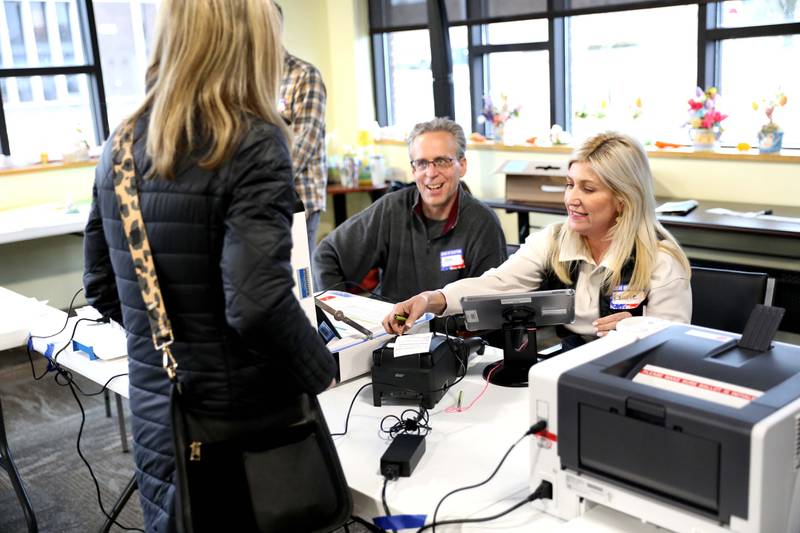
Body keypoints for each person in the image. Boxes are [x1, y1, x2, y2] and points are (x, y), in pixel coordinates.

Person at [82, 1, 336, 531]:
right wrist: (321, 368)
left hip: (162, 415)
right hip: (242, 425)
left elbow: (102, 285)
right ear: (252, 43)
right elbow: (258, 305)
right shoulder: (252, 143)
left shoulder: (120, 145)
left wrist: (174, 344)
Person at [384, 131, 692, 343]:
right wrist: (431, 299)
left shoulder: (661, 262)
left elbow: (676, 344)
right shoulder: (554, 240)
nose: (572, 198)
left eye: (588, 189)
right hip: (567, 365)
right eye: (570, 184)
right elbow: (497, 283)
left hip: (628, 376)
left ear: (623, 199)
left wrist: (639, 329)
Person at [313, 117, 508, 303]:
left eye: (441, 161)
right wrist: (340, 316)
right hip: (392, 329)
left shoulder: (483, 224)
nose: (431, 173)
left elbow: (490, 305)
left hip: (451, 334)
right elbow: (326, 255)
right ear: (413, 170)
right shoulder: (391, 209)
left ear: (462, 165)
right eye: (422, 163)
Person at [276, 4, 328, 254]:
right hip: (259, 202)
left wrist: (259, 181)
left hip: (299, 198)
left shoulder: (304, 76)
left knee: (299, 282)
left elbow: (302, 145)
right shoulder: (249, 80)